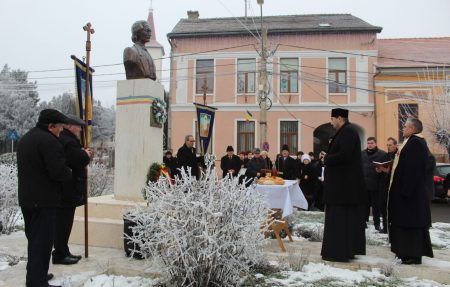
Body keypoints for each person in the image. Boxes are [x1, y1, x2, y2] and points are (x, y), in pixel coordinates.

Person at [17, 109, 72, 287]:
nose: (61, 131)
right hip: (44, 201)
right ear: (50, 126)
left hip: (27, 199)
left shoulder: (26, 138)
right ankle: (37, 282)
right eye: (60, 127)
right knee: (42, 243)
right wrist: (68, 172)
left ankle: (35, 276)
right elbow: (58, 172)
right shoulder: (50, 142)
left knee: (34, 240)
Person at [321, 108, 367, 262]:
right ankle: (344, 250)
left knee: (340, 221)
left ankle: (338, 252)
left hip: (343, 189)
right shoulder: (346, 131)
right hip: (342, 188)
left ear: (340, 118)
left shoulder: (347, 132)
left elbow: (345, 155)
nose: (331, 121)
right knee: (342, 221)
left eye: (332, 118)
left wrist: (327, 158)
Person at [388, 118, 433, 264]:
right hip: (407, 193)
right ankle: (404, 252)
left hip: (410, 195)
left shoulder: (416, 143)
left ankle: (412, 255)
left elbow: (413, 170)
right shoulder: (412, 142)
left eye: (405, 126)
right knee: (404, 224)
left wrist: (405, 191)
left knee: (411, 225)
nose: (403, 128)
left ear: (413, 129)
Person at [52, 115, 92, 265]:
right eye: (78, 126)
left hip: (68, 187)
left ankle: (63, 250)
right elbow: (79, 159)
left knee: (65, 222)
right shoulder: (67, 141)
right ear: (69, 126)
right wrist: (85, 154)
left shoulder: (67, 139)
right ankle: (60, 254)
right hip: (67, 189)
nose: (81, 129)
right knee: (63, 222)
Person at [361, 137, 387, 231]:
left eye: (371, 143)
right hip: (364, 184)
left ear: (375, 143)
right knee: (364, 205)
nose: (369, 145)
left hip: (376, 184)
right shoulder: (362, 153)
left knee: (376, 206)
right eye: (368, 143)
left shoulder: (382, 154)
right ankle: (363, 222)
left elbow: (386, 168)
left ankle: (377, 224)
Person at [376, 137, 398, 233]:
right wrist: (379, 169)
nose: (388, 147)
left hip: (394, 186)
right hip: (383, 185)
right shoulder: (385, 155)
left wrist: (388, 171)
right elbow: (380, 166)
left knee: (392, 208)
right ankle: (385, 227)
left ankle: (393, 228)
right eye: (387, 145)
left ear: (395, 145)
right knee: (383, 206)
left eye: (390, 145)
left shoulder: (398, 155)